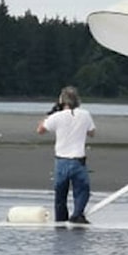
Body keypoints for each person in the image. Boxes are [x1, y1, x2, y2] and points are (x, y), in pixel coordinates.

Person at [37, 86, 96, 224]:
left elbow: (40, 130)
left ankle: (61, 222)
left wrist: (48, 116)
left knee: (60, 195)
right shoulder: (85, 114)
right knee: (82, 190)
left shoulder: (56, 117)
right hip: (78, 160)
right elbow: (92, 132)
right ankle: (77, 214)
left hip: (61, 160)